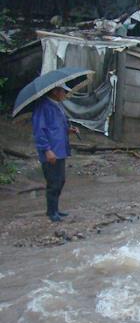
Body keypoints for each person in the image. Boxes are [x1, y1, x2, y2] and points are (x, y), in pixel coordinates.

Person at [32, 85, 79, 222]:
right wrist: (47, 150)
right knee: (53, 182)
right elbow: (39, 131)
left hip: (60, 149)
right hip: (51, 151)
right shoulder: (43, 107)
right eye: (63, 91)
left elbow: (58, 127)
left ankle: (54, 209)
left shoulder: (57, 106)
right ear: (55, 92)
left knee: (60, 180)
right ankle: (51, 212)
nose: (65, 93)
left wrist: (69, 130)